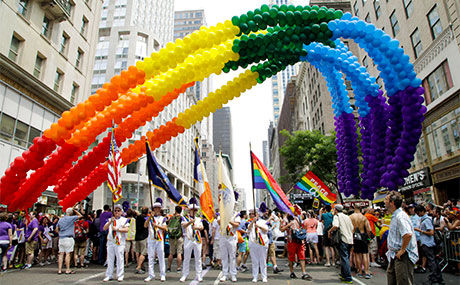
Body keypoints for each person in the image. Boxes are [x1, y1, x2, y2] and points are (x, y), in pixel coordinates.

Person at [385, 191, 419, 285]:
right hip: (394, 255)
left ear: (392, 202)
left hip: (403, 256)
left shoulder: (401, 216)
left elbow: (407, 234)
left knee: (403, 281)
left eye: (386, 199)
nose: (384, 201)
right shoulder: (395, 216)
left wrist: (402, 250)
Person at [280, 206, 312, 281]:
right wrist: (288, 225)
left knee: (302, 257)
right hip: (291, 241)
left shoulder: (297, 218)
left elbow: (302, 226)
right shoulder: (285, 219)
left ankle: (304, 273)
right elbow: (281, 229)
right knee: (291, 257)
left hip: (300, 240)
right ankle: (292, 271)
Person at [414, 205, 444, 284]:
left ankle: (433, 278)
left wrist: (420, 231)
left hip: (428, 244)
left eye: (418, 213)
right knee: (433, 261)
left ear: (422, 211)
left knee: (432, 261)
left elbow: (431, 232)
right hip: (427, 243)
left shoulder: (426, 220)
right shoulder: (424, 219)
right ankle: (438, 278)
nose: (417, 214)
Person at [103, 204, 129, 282]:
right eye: (115, 210)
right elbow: (104, 228)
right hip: (111, 241)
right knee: (110, 259)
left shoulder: (124, 220)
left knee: (120, 259)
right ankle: (109, 275)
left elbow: (127, 229)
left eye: (118, 210)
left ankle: (120, 275)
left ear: (121, 211)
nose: (117, 212)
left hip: (120, 242)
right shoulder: (109, 220)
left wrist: (117, 229)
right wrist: (110, 221)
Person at [328, 204, 354, 284]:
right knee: (346, 257)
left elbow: (336, 225)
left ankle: (348, 277)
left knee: (344, 258)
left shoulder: (337, 216)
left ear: (335, 210)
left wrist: (330, 231)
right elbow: (352, 228)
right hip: (350, 239)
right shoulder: (347, 217)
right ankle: (344, 274)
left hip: (343, 239)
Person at [180, 198, 204, 282]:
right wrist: (190, 222)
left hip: (197, 239)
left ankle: (199, 275)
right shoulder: (184, 218)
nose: (194, 212)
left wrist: (196, 227)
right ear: (189, 210)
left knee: (198, 258)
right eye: (192, 210)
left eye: (195, 210)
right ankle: (185, 274)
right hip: (188, 239)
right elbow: (183, 226)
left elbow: (201, 227)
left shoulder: (198, 219)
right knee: (186, 257)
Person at [144, 198, 168, 282]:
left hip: (159, 239)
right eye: (155, 208)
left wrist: (157, 226)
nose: (157, 209)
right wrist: (150, 217)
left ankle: (162, 274)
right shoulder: (149, 218)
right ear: (153, 209)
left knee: (161, 256)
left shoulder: (162, 218)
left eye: (158, 208)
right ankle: (151, 274)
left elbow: (165, 228)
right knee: (150, 257)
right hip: (151, 239)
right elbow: (145, 225)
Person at [219, 195, 241, 282]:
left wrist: (229, 220)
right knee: (224, 256)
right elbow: (218, 221)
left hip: (232, 237)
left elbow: (237, 224)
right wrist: (224, 216)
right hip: (223, 236)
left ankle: (233, 274)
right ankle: (225, 274)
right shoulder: (222, 212)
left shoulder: (236, 214)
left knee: (232, 257)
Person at [57, 205, 82, 274]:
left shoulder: (61, 219)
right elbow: (80, 215)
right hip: (68, 237)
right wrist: (74, 210)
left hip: (61, 238)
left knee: (61, 254)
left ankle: (59, 269)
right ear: (71, 213)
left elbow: (57, 229)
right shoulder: (71, 218)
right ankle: (67, 269)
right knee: (68, 254)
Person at [248, 202, 269, 283]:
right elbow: (248, 229)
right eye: (252, 214)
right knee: (254, 261)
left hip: (262, 242)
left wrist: (259, 226)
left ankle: (264, 276)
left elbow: (266, 230)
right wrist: (253, 222)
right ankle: (255, 276)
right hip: (253, 242)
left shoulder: (263, 221)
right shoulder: (250, 222)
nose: (253, 215)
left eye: (255, 214)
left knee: (263, 261)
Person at [350, 205, 372, 279]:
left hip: (354, 236)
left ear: (355, 208)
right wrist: (369, 237)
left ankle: (359, 271)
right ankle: (366, 272)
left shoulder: (351, 217)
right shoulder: (364, 217)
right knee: (365, 254)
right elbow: (368, 229)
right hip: (363, 236)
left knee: (357, 254)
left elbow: (350, 228)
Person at [167, 206, 183, 273]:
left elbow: (168, 224)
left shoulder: (171, 218)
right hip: (179, 237)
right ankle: (178, 268)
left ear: (175, 210)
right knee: (179, 253)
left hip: (172, 237)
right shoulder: (181, 218)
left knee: (171, 253)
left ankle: (168, 267)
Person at [135, 207, 149, 274]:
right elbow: (146, 225)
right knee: (143, 253)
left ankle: (141, 265)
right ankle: (139, 267)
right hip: (144, 236)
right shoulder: (146, 218)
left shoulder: (137, 217)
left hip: (137, 236)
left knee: (138, 252)